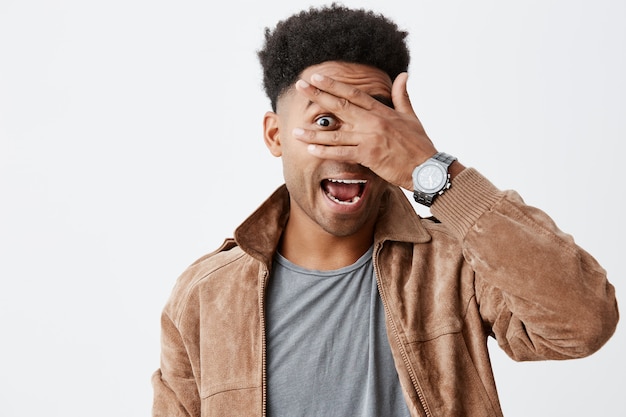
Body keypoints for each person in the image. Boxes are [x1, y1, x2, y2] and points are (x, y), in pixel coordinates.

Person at [152, 4, 619, 416]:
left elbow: (582, 323)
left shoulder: (455, 264)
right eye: (325, 121)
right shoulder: (205, 296)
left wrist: (433, 172)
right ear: (275, 135)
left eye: (374, 122)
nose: (354, 149)